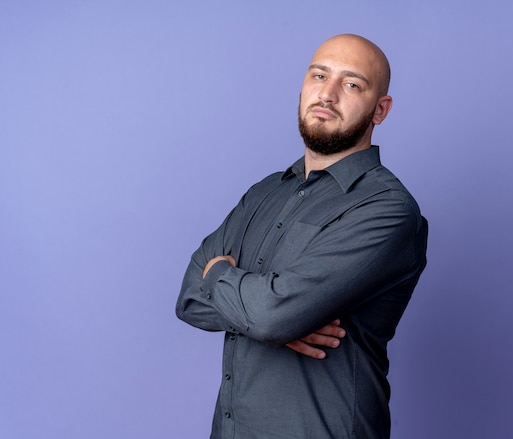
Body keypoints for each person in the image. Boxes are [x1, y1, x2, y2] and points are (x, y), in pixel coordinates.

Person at [176, 33, 428, 439]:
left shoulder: (388, 209)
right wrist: (268, 315)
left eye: (351, 84)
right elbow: (188, 298)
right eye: (318, 75)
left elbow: (273, 316)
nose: (327, 94)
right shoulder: (265, 192)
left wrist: (228, 282)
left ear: (380, 110)